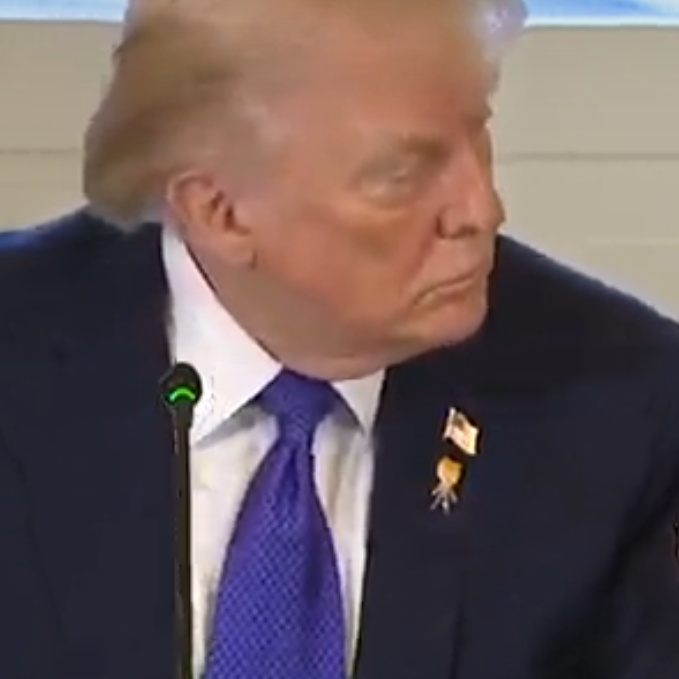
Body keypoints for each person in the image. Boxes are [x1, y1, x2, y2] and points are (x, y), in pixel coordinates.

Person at [0, 0, 678, 677]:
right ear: (220, 212)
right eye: (401, 176)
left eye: (477, 135)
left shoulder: (620, 406)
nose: (480, 210)